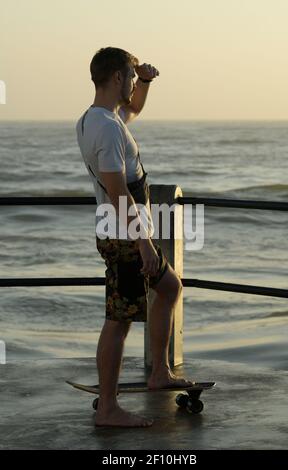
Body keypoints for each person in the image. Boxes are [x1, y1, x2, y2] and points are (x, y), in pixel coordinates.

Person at [76, 47, 193, 428]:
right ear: (115, 78)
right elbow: (116, 190)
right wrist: (142, 240)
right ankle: (108, 409)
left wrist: (144, 81)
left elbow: (135, 110)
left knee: (170, 288)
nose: (131, 82)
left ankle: (159, 370)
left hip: (125, 231)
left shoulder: (100, 119)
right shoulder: (107, 128)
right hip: (126, 235)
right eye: (129, 76)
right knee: (119, 320)